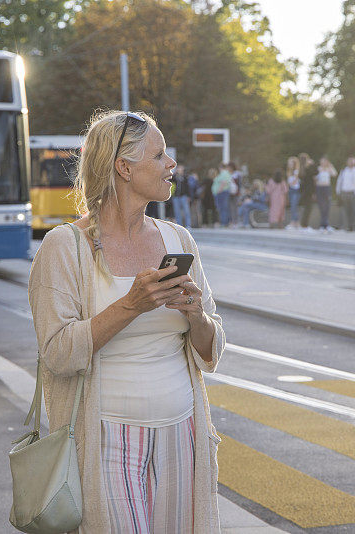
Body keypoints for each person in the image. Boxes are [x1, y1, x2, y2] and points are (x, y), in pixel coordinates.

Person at [28, 110, 226, 533]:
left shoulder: (178, 239)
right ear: (124, 167)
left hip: (182, 434)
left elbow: (211, 351)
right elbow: (58, 354)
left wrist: (196, 316)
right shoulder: (65, 247)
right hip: (106, 439)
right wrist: (131, 305)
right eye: (159, 155)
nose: (171, 164)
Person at [336, 156, 355, 231]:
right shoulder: (344, 171)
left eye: (352, 161)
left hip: (353, 192)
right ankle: (349, 226)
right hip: (345, 193)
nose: (351, 163)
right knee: (347, 210)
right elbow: (339, 182)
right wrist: (339, 192)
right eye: (349, 161)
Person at [315, 157, 337, 232]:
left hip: (327, 188)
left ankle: (326, 224)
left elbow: (334, 174)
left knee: (327, 206)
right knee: (321, 206)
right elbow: (315, 178)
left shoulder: (328, 169)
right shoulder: (318, 169)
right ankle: (322, 224)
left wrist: (330, 166)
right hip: (320, 188)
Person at [298, 153, 317, 233]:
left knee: (306, 208)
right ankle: (304, 225)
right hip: (309, 191)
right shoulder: (308, 169)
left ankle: (303, 224)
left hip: (303, 191)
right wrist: (312, 164)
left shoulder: (301, 169)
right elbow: (316, 172)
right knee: (308, 208)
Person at [211, 163, 232, 227]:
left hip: (222, 193)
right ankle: (224, 222)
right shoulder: (223, 174)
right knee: (222, 208)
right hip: (221, 193)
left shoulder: (224, 173)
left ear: (221, 167)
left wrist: (218, 191)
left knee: (223, 208)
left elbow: (223, 182)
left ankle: (224, 222)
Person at [285, 156, 302, 230]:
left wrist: (290, 184)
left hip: (296, 190)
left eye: (291, 163)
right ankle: (297, 223)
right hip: (291, 190)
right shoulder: (289, 172)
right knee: (292, 206)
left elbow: (294, 181)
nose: (290, 164)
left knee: (294, 207)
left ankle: (293, 222)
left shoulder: (296, 171)